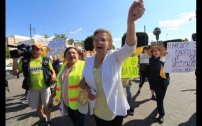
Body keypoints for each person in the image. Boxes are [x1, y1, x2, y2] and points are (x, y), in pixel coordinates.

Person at [79, 1, 145, 126]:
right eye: (96, 40)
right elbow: (83, 82)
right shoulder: (88, 61)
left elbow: (130, 46)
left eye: (103, 39)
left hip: (114, 111)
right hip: (96, 110)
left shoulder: (114, 57)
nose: (99, 41)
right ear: (93, 44)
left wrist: (130, 22)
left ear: (109, 43)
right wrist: (88, 90)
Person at [12, 42, 56, 126]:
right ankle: (42, 118)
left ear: (41, 51)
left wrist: (53, 75)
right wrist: (14, 60)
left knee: (47, 105)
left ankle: (48, 120)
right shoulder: (25, 60)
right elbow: (15, 73)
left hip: (45, 87)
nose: (34, 50)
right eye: (33, 48)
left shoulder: (46, 59)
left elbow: (52, 69)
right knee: (38, 106)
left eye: (37, 49)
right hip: (32, 89)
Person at [50, 47, 87, 126]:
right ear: (65, 56)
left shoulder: (84, 64)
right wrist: (51, 97)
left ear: (78, 55)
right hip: (67, 103)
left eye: (74, 53)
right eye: (68, 53)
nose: (71, 55)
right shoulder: (64, 66)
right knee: (74, 121)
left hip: (81, 103)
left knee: (80, 124)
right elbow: (58, 84)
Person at [147, 43, 170, 124]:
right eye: (154, 51)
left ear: (160, 52)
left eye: (157, 51)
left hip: (165, 82)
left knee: (161, 97)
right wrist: (151, 83)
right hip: (156, 83)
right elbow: (150, 70)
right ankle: (161, 114)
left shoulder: (165, 58)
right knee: (159, 99)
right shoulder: (151, 60)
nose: (156, 52)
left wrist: (168, 56)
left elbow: (170, 67)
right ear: (152, 53)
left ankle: (159, 106)